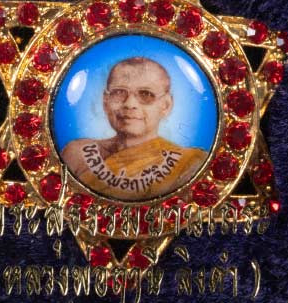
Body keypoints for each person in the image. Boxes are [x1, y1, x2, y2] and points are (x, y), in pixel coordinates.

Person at [61, 57, 208, 200]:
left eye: (146, 94)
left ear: (166, 105)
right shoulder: (77, 155)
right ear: (105, 101)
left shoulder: (189, 163)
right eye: (119, 92)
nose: (130, 104)